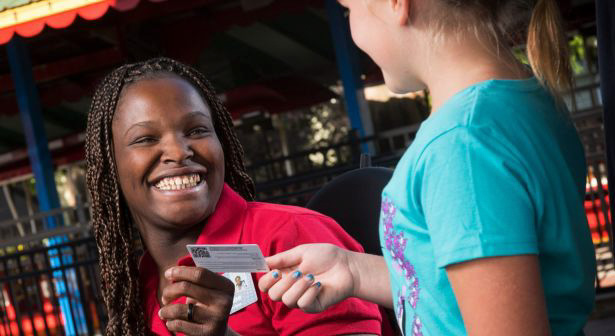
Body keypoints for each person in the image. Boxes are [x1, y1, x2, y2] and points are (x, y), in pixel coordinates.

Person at [258, 0, 596, 335]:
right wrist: (354, 270)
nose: (352, 29)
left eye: (351, 10)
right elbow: (456, 292)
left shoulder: (461, 146)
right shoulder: (521, 100)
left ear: (396, 5)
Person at [85, 57, 390, 335]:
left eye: (197, 130)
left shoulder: (288, 237)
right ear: (110, 168)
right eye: (146, 139)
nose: (179, 152)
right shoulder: (136, 286)